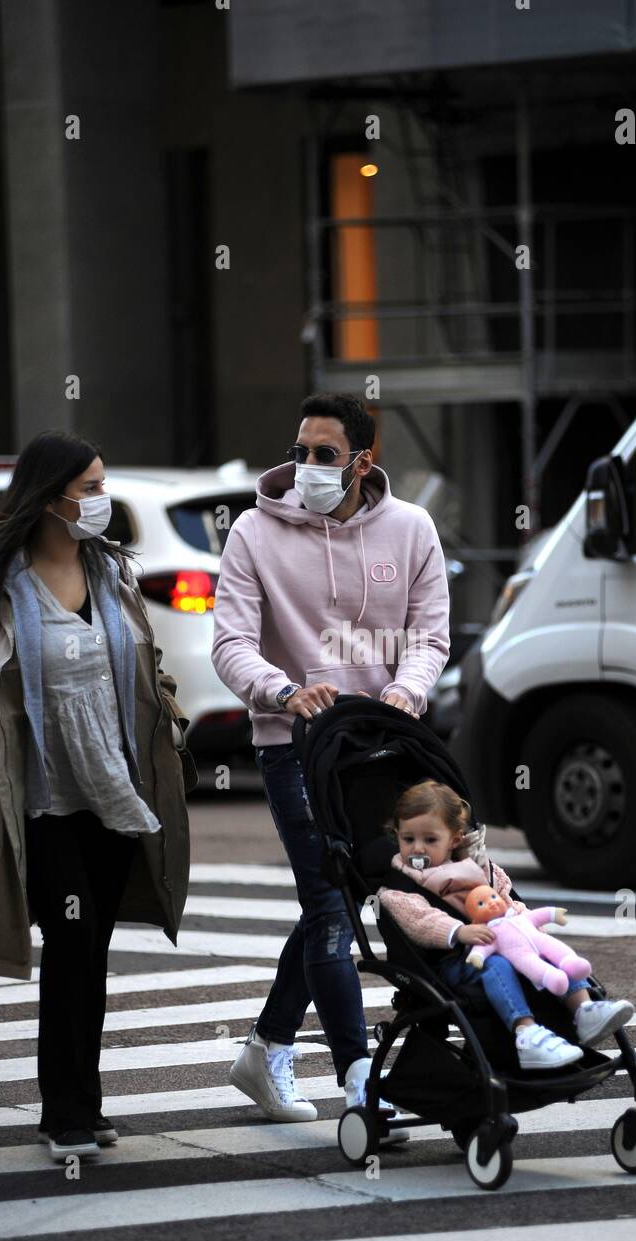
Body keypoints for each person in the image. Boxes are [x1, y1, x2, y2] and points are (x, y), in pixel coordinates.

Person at [0, 431, 195, 1162]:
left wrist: (167, 722)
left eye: (101, 484)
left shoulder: (111, 573)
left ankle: (86, 1102)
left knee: (94, 949)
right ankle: (64, 1113)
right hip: (43, 799)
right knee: (72, 940)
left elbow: (149, 665)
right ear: (50, 496)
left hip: (116, 790)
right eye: (88, 487)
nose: (99, 499)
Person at [212, 393, 450, 1123]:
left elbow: (430, 637)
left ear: (361, 462)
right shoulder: (253, 532)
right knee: (328, 905)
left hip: (384, 748)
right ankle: (357, 1078)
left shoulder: (411, 529)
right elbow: (229, 644)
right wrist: (282, 692)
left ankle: (264, 1046)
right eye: (299, 450)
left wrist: (403, 698)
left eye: (323, 454)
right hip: (294, 748)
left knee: (351, 898)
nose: (305, 467)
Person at [378, 780, 635, 1069]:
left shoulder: (478, 869)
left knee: (551, 951)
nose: (418, 848)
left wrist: (527, 929)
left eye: (430, 840)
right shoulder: (400, 888)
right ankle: (526, 1033)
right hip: (457, 960)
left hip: (506, 942)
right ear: (397, 836)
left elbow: (507, 902)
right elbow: (420, 921)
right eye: (408, 839)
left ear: (454, 839)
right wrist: (458, 931)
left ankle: (584, 1009)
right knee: (497, 966)